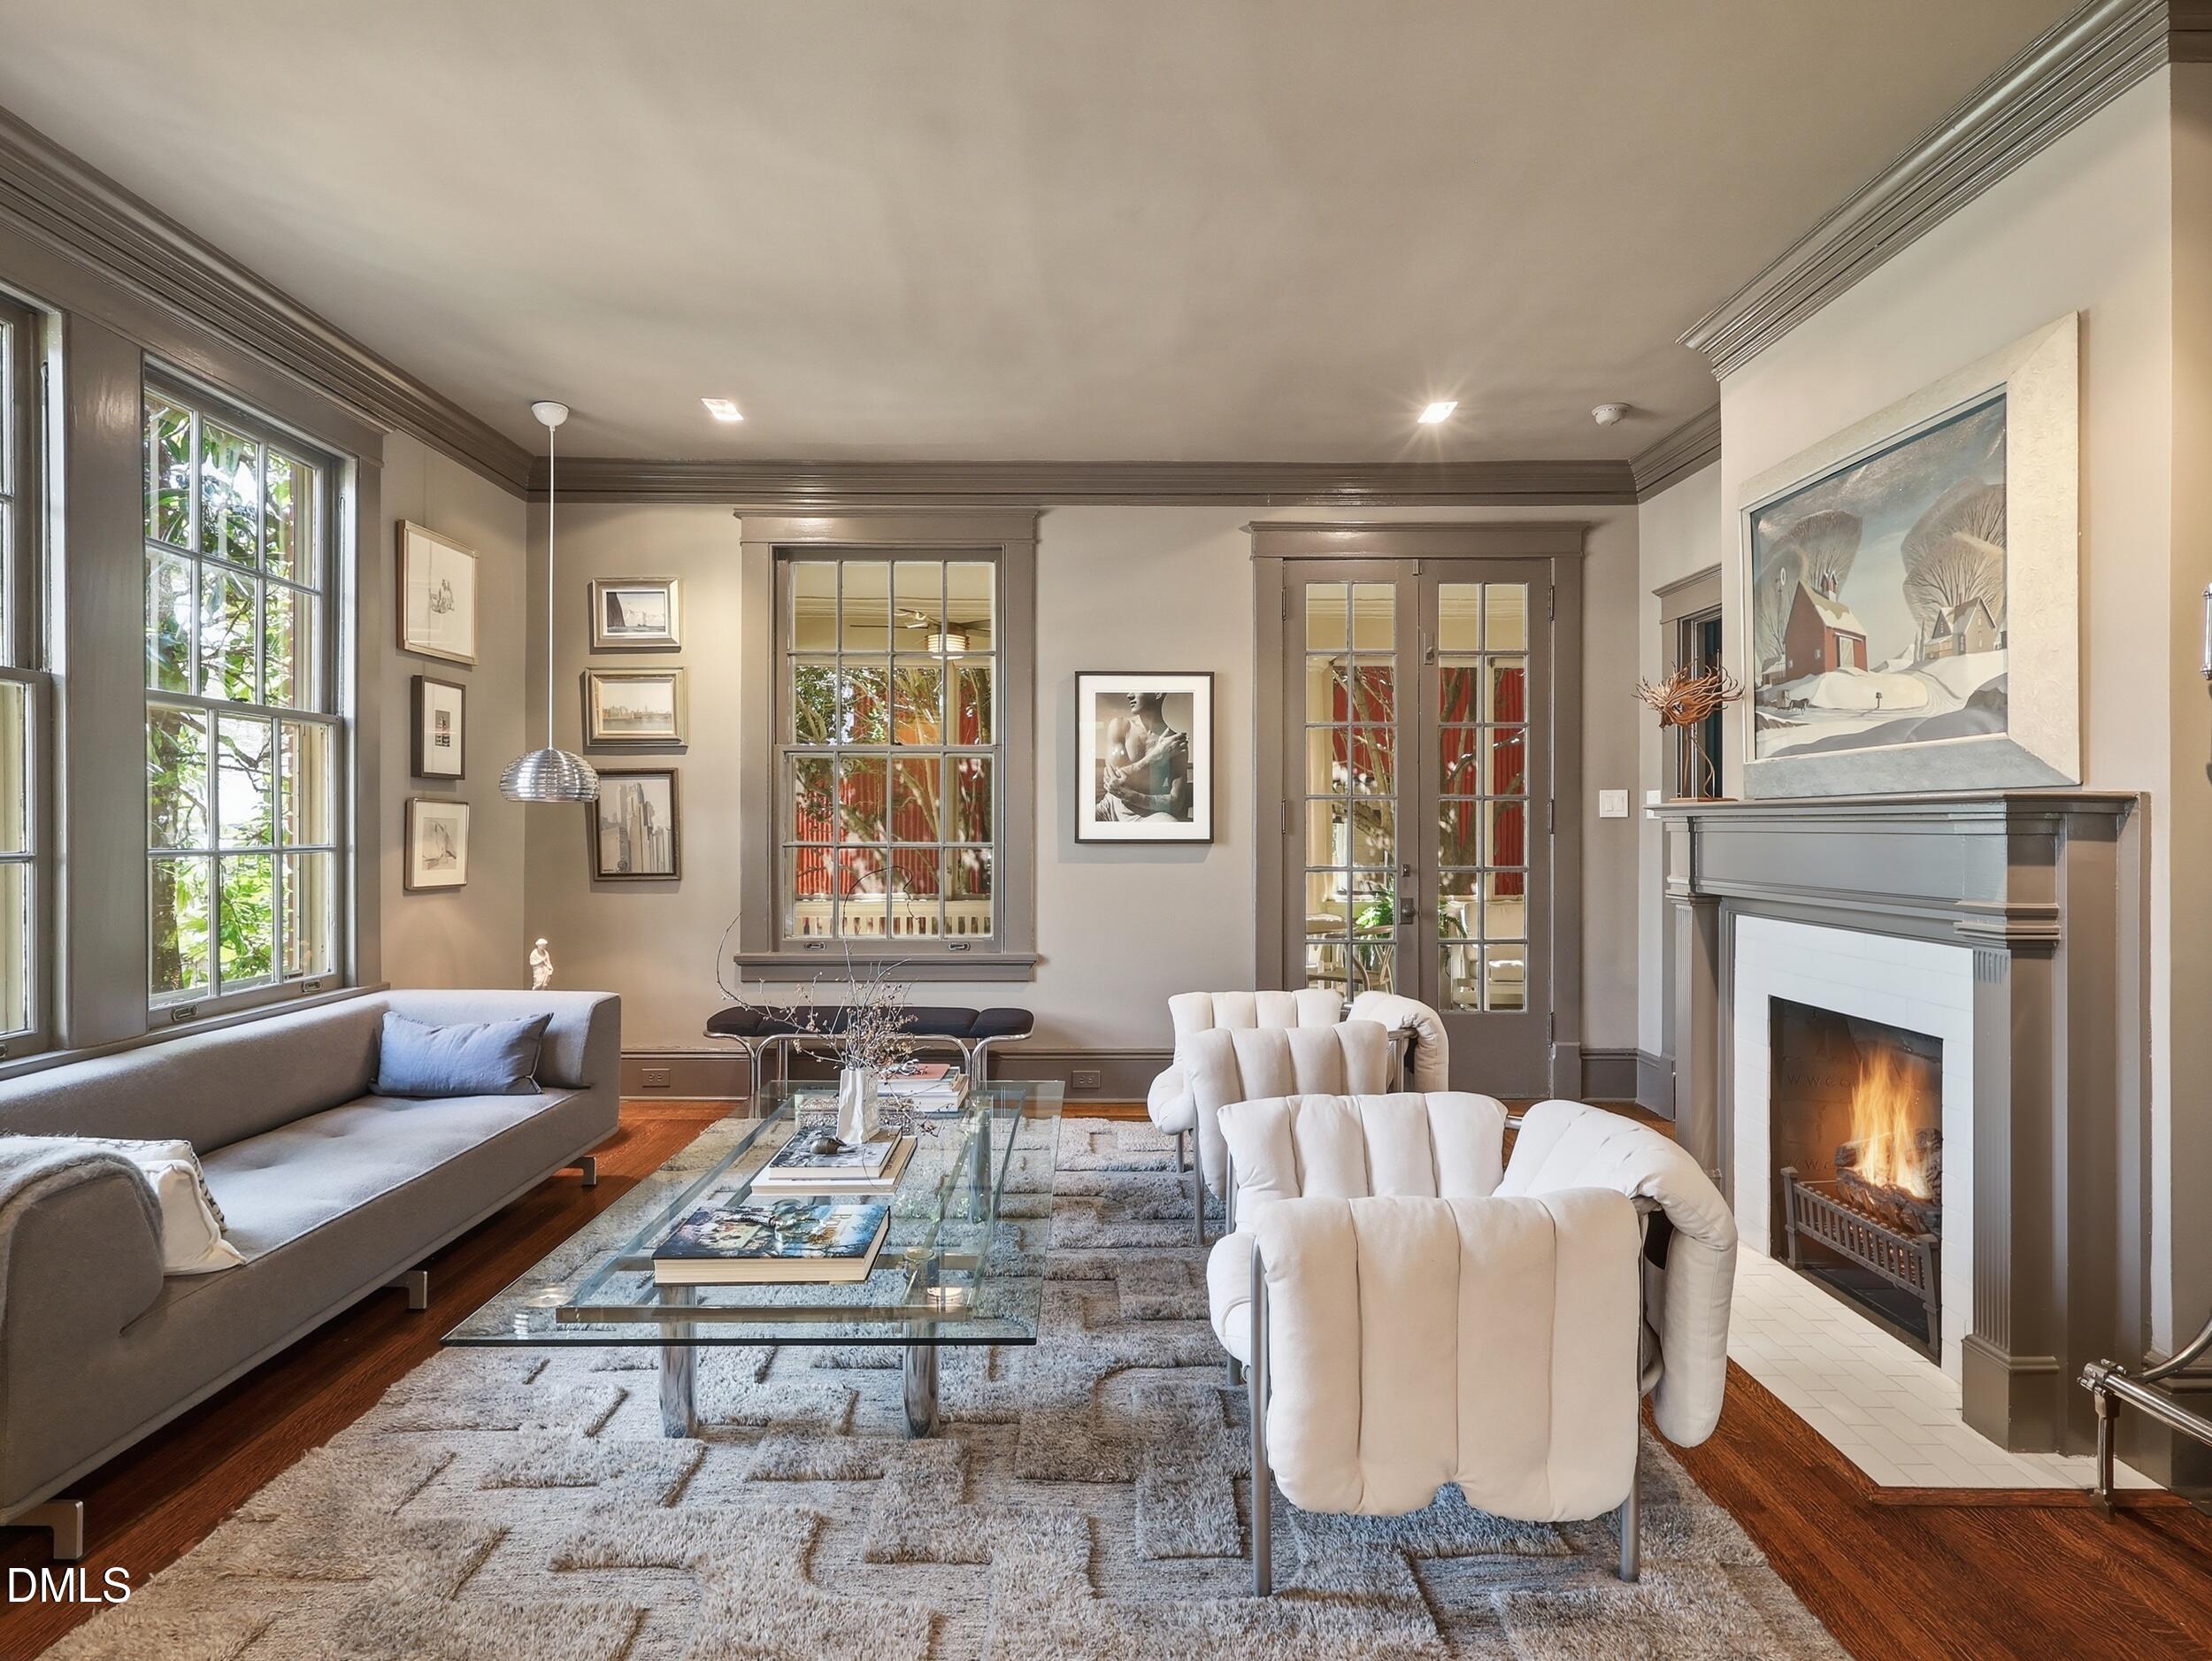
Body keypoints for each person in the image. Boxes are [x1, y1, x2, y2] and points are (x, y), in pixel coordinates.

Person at [1096, 690, 1192, 821]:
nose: (1129, 695)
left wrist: (1131, 795)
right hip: (1108, 810)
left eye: (1136, 689)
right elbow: (1115, 780)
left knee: (1170, 824)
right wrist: (1157, 756)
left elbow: (1175, 802)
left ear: (1158, 693)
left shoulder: (1175, 743)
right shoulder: (1120, 726)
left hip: (1147, 815)